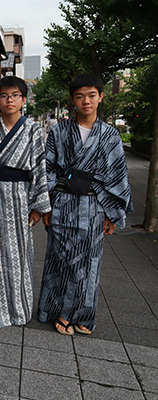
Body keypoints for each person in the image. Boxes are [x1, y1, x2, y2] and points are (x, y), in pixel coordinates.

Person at [38, 73, 132, 335]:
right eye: (80, 96)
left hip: (94, 206)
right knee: (61, 258)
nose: (86, 101)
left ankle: (81, 314)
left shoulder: (111, 136)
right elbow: (48, 168)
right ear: (72, 100)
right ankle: (56, 310)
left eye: (91, 95)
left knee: (89, 262)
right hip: (63, 203)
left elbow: (117, 175)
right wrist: (46, 205)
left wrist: (113, 215)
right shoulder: (58, 131)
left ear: (101, 97)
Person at [0, 76, 51, 328]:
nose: (10, 100)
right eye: (4, 96)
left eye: (15, 95)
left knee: (20, 252)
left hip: (21, 195)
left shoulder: (33, 131)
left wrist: (39, 205)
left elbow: (40, 166)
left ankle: (18, 306)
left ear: (23, 99)